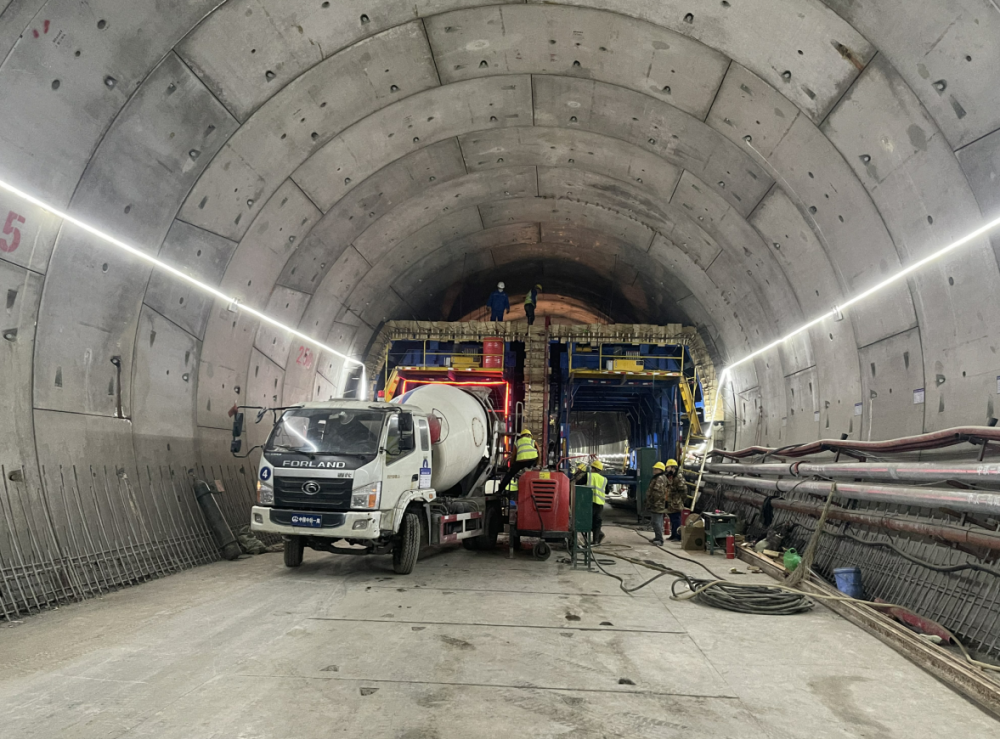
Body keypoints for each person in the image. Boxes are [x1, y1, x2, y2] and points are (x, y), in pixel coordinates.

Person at [498, 429, 539, 494]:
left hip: (521, 462)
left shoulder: (517, 442)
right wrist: (536, 463)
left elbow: (514, 455)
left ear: (521, 436)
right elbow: (539, 452)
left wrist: (511, 465)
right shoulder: (533, 441)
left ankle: (500, 490)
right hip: (532, 461)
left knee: (510, 475)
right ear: (530, 436)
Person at [644, 461, 669, 545]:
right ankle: (657, 537)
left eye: (655, 469)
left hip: (657, 504)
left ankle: (660, 539)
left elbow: (657, 492)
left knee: (656, 522)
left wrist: (652, 501)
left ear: (660, 470)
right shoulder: (658, 477)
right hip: (658, 503)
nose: (653, 470)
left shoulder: (660, 478)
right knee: (657, 521)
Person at [664, 459, 687, 542]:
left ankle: (678, 536)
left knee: (676, 519)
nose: (667, 469)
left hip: (676, 503)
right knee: (672, 519)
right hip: (671, 502)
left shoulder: (678, 477)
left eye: (668, 467)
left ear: (673, 468)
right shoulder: (671, 477)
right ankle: (673, 535)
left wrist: (680, 500)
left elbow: (683, 490)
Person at [587, 459, 608, 545]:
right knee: (597, 521)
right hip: (599, 504)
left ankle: (599, 535)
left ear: (593, 468)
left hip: (589, 503)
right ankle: (596, 539)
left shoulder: (588, 476)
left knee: (587, 521)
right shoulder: (604, 479)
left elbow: (578, 484)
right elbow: (607, 491)